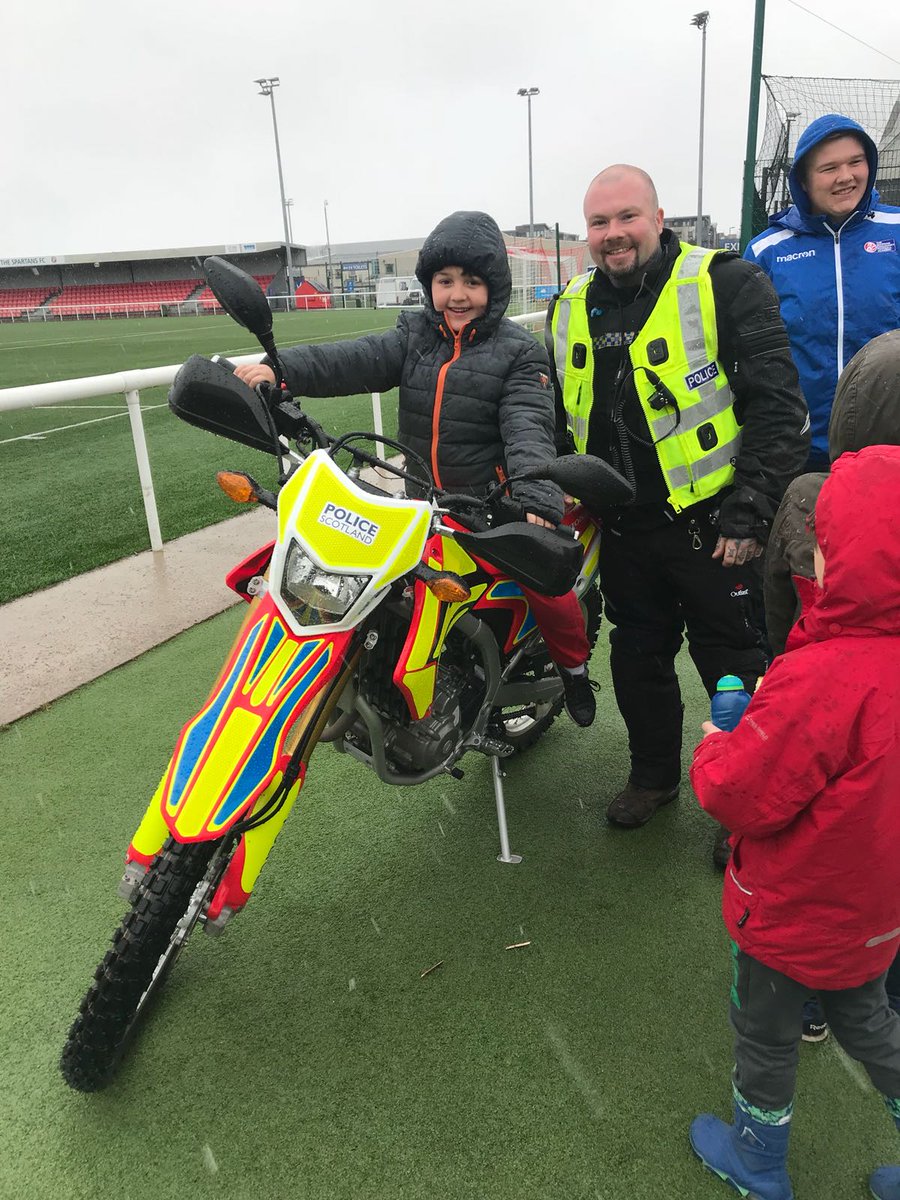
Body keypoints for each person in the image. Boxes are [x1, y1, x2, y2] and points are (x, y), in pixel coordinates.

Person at [235, 209, 597, 725]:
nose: (457, 295)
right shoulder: (414, 336)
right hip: (420, 501)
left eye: (472, 282)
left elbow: (528, 427)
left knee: (549, 588)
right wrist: (281, 370)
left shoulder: (519, 354)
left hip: (492, 505)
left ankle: (574, 673)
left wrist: (537, 495)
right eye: (445, 281)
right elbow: (353, 359)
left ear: (493, 287)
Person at [545, 164, 808, 858]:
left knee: (732, 670)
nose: (613, 235)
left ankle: (743, 806)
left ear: (660, 219)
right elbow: (555, 419)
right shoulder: (569, 305)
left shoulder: (724, 282)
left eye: (627, 217)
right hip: (624, 531)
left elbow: (779, 409)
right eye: (598, 223)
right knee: (637, 661)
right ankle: (655, 777)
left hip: (718, 529)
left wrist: (749, 508)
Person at [688, 444, 900, 1200]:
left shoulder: (823, 677)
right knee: (871, 1023)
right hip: (875, 913)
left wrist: (718, 747)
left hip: (791, 912)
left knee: (766, 1035)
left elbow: (739, 795)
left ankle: (758, 1157)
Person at [763, 328, 900, 1045]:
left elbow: (777, 605)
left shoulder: (812, 495)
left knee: (818, 849)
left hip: (821, 700)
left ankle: (812, 1003)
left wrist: (772, 675)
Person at [745, 113, 900, 473]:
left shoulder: (896, 230)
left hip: (889, 450)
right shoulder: (767, 251)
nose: (845, 177)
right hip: (800, 455)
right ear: (803, 179)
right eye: (829, 168)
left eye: (855, 162)